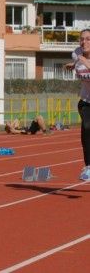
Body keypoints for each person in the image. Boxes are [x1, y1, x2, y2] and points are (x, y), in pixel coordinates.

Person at [65, 29, 90, 180]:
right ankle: (88, 166)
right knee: (86, 128)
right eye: (81, 39)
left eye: (88, 39)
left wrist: (84, 61)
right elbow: (77, 60)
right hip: (86, 101)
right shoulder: (76, 53)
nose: (84, 42)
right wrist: (73, 64)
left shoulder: (81, 56)